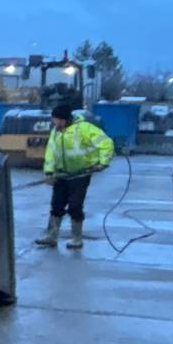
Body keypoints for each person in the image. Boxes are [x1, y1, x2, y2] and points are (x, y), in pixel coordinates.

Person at [35, 103, 114, 249]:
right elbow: (51, 152)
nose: (54, 123)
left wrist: (103, 162)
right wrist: (49, 172)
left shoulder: (84, 129)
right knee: (56, 205)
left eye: (56, 120)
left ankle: (77, 238)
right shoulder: (56, 131)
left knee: (75, 205)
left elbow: (106, 143)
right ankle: (52, 236)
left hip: (81, 174)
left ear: (64, 119)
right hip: (61, 174)